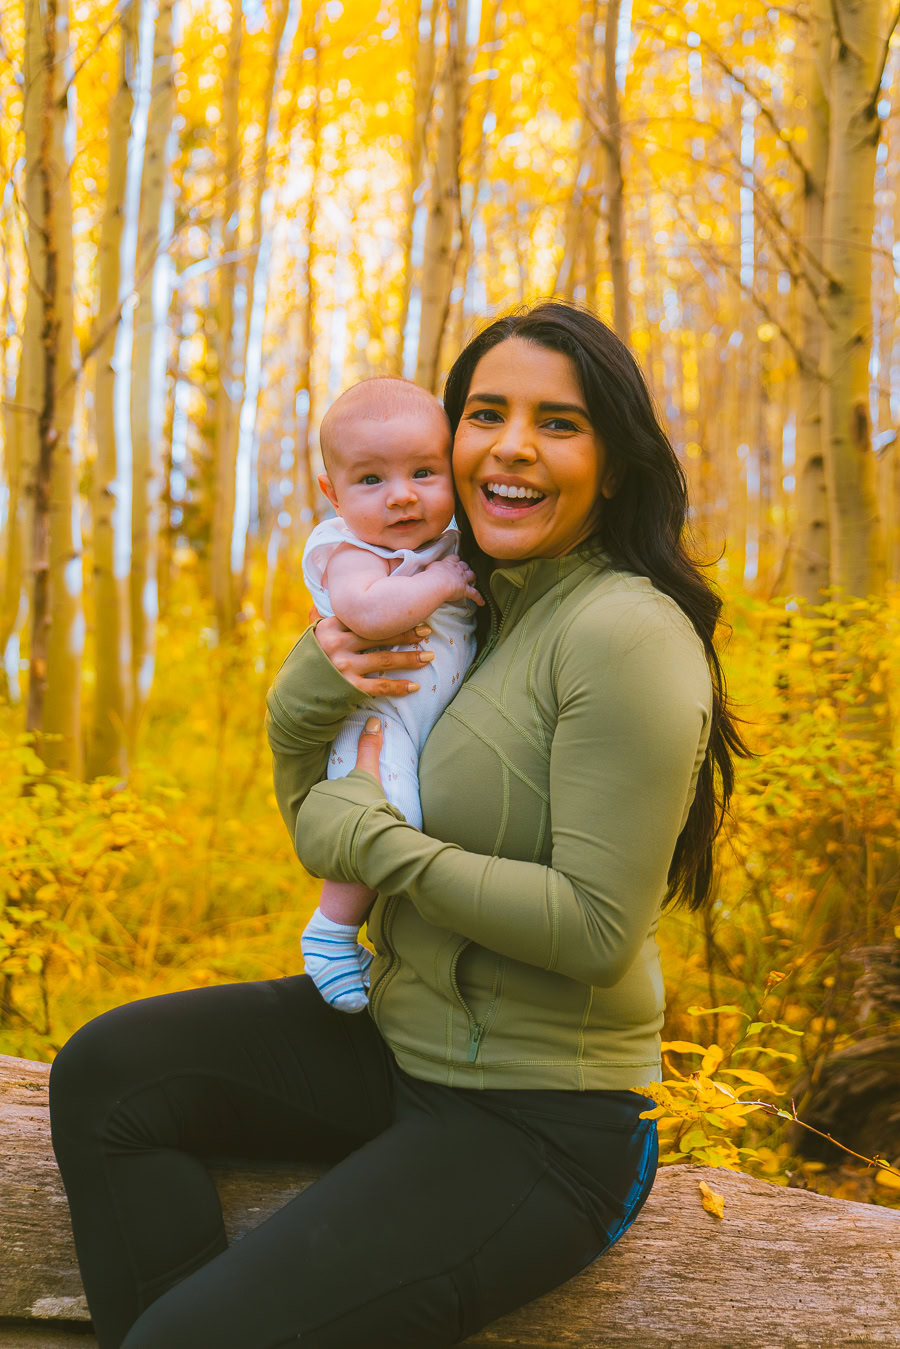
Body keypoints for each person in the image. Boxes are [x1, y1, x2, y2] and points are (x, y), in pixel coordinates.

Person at [47, 301, 752, 1349]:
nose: (512, 445)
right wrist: (311, 682)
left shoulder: (623, 634)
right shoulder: (463, 604)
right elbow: (314, 823)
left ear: (612, 463)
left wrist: (381, 842)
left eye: (558, 422)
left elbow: (596, 930)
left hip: (538, 1117)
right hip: (397, 1038)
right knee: (107, 1072)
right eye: (486, 412)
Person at [298, 375, 481, 1013]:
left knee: (418, 818)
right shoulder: (349, 551)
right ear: (333, 493)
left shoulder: (445, 544)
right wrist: (443, 583)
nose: (402, 497)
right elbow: (371, 614)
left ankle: (386, 946)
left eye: (424, 472)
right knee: (381, 814)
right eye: (371, 480)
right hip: (376, 721)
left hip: (424, 718)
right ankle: (331, 931)